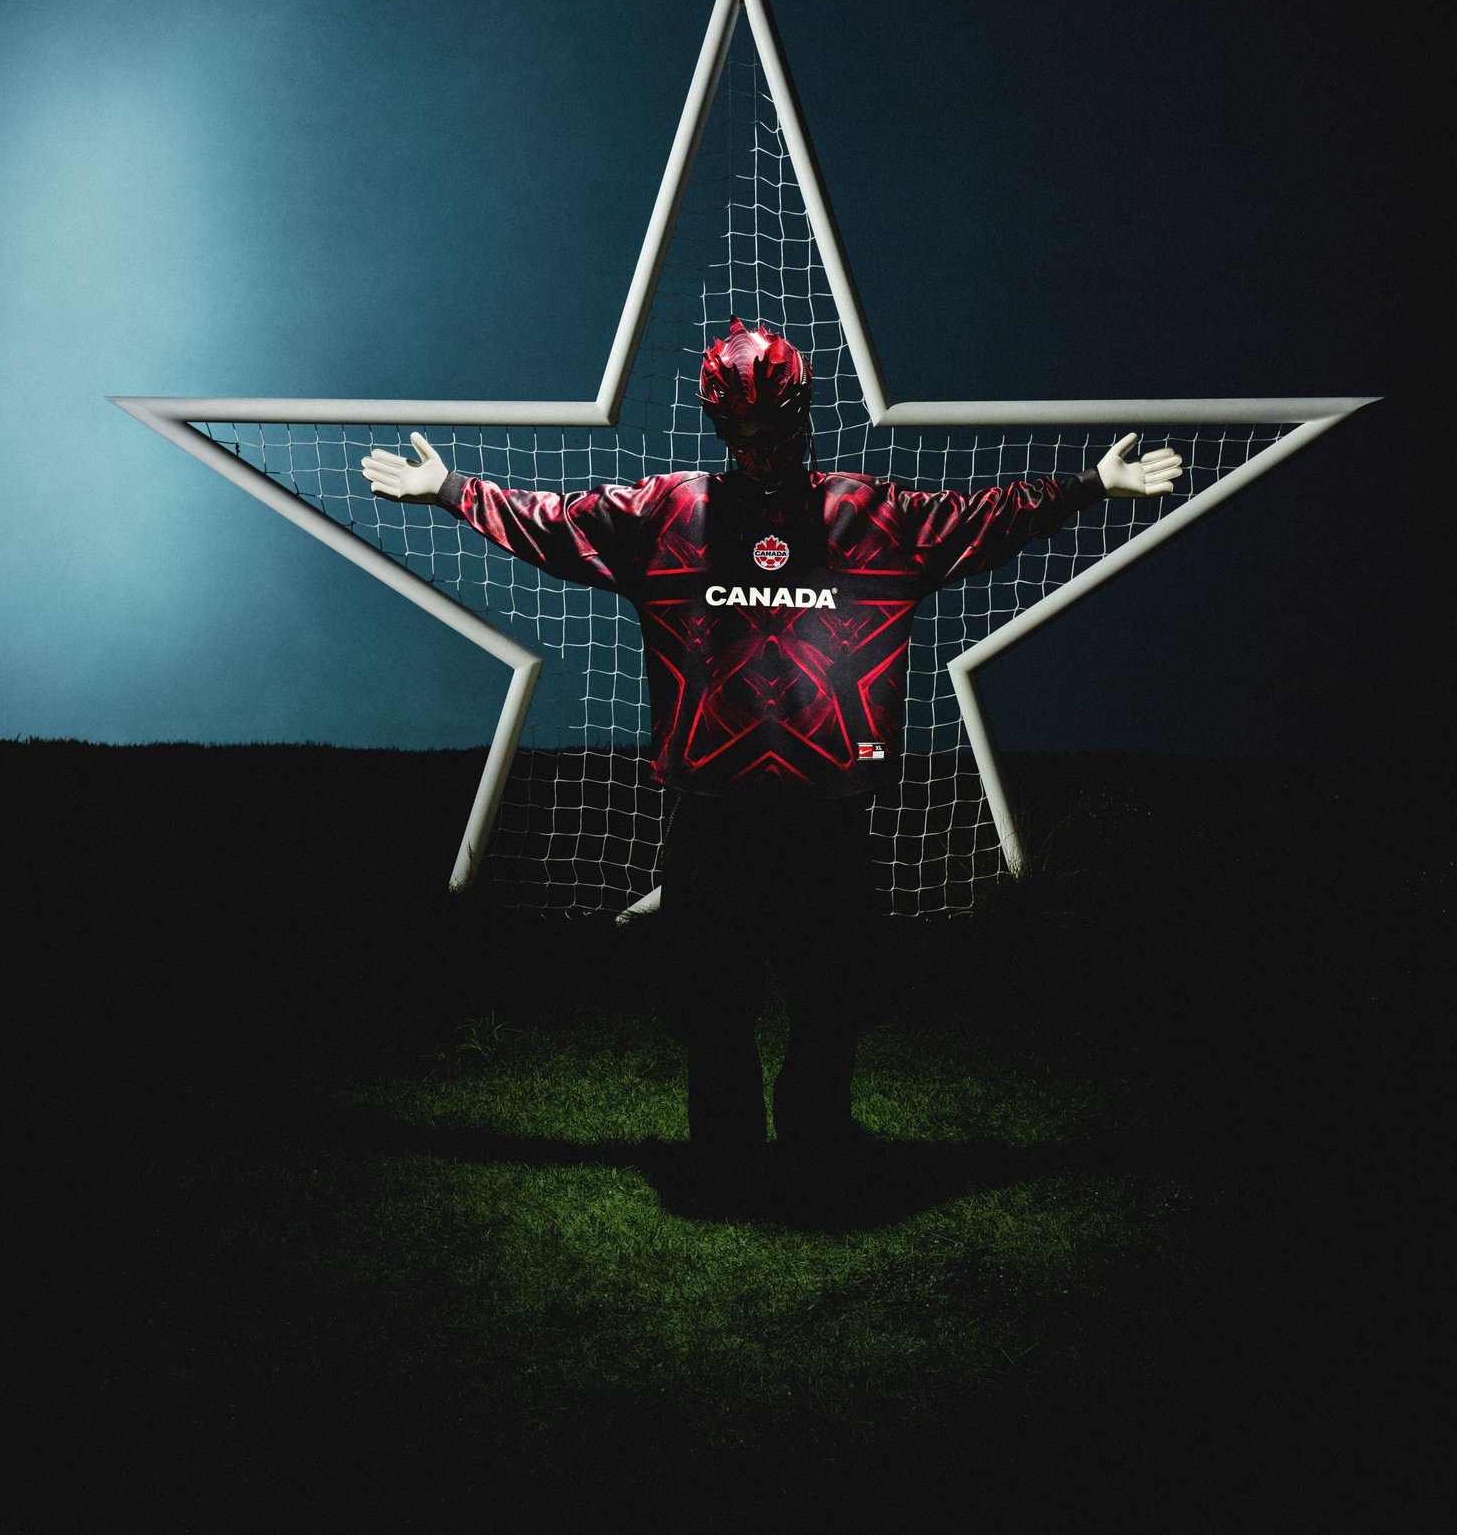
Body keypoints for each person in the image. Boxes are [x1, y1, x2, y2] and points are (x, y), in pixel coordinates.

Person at [361, 320, 1181, 1191]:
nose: (759, 449)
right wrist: (451, 487)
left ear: (803, 416)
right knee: (709, 1001)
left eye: (776, 431)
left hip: (828, 811)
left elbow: (981, 519)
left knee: (832, 998)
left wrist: (1092, 483)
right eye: (742, 433)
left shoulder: (868, 516)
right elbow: (556, 525)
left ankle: (815, 1134)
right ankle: (726, 1148)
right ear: (718, 422)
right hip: (711, 812)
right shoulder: (670, 514)